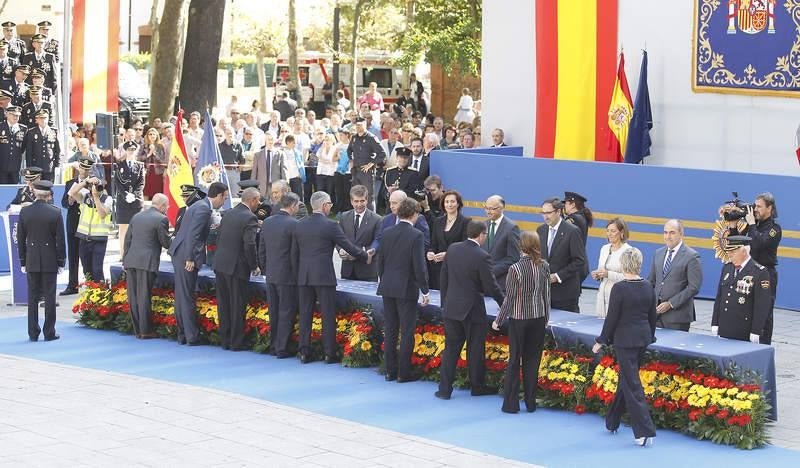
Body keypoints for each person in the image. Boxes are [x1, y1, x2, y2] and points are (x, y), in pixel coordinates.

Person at [294, 191, 373, 363]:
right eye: (329, 203)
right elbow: (347, 246)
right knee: (327, 314)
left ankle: (304, 352)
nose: (330, 206)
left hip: (304, 276)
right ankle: (329, 353)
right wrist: (364, 256)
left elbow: (295, 253)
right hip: (324, 276)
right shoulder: (330, 225)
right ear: (323, 206)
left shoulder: (299, 225)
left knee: (305, 314)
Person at [592, 247, 657, 445]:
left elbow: (611, 319)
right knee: (626, 380)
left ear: (622, 265)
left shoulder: (619, 288)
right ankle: (612, 421)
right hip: (642, 339)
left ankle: (643, 431)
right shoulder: (648, 286)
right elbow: (652, 316)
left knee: (631, 384)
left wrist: (601, 341)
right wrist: (650, 336)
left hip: (625, 342)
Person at [436, 220, 505, 400]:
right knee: (475, 349)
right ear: (482, 235)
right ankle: (477, 387)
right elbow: (491, 286)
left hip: (451, 307)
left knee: (451, 349)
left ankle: (444, 390)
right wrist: (504, 303)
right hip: (472, 310)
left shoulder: (452, 249)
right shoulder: (482, 256)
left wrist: (445, 302)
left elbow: (444, 277)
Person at [492, 231, 550, 414]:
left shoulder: (515, 269)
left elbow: (509, 299)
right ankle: (531, 403)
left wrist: (498, 320)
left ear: (521, 246)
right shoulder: (544, 266)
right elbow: (546, 295)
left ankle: (511, 404)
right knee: (533, 361)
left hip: (519, 319)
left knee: (515, 360)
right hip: (538, 318)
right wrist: (546, 318)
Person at [168, 182, 229, 346]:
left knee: (182, 295)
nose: (224, 201)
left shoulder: (199, 205)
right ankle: (191, 336)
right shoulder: (203, 208)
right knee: (186, 295)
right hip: (186, 255)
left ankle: (183, 334)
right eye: (225, 197)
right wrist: (190, 258)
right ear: (218, 195)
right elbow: (194, 234)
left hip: (180, 252)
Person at [378, 197, 430, 382]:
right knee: (407, 331)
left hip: (387, 286)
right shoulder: (416, 235)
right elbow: (419, 265)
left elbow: (380, 262)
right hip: (406, 288)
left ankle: (389, 371)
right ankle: (404, 373)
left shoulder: (387, 232)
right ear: (414, 213)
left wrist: (383, 280)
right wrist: (425, 290)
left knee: (390, 329)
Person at [17, 179, 65, 342]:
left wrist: (23, 261)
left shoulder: (25, 212)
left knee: (32, 297)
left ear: (35, 193)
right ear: (49, 195)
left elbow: (20, 239)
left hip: (31, 259)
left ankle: (33, 332)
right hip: (50, 259)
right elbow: (60, 240)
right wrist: (61, 261)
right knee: (50, 297)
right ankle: (49, 332)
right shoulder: (55, 212)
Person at [214, 187, 260, 351]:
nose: (259, 203)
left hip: (220, 264)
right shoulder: (250, 218)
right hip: (236, 267)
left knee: (224, 303)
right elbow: (249, 244)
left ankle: (225, 339)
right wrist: (254, 265)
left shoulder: (229, 213)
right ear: (252, 200)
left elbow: (219, 238)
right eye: (258, 200)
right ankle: (237, 341)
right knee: (237, 304)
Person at [122, 193, 171, 339]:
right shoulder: (162, 219)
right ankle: (146, 331)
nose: (167, 209)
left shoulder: (136, 216)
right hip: (147, 263)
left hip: (131, 261)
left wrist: (125, 260)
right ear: (162, 206)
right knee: (143, 297)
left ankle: (138, 330)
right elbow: (166, 243)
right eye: (167, 206)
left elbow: (127, 240)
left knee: (134, 297)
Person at [259, 192, 301, 357]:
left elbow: (261, 248)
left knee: (274, 310)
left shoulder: (267, 222)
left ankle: (274, 344)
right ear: (292, 206)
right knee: (286, 311)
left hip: (271, 273)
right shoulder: (294, 224)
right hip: (287, 275)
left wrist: (265, 268)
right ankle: (282, 347)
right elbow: (295, 253)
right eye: (298, 205)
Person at [711, 235, 771, 343]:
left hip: (743, 331)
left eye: (733, 251)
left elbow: (761, 306)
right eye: (729, 251)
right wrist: (715, 322)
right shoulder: (727, 268)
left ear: (744, 251)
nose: (729, 254)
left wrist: (756, 331)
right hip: (724, 328)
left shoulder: (759, 272)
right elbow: (719, 297)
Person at [646, 219, 703, 331]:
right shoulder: (658, 253)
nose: (668, 236)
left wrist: (670, 304)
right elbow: (651, 281)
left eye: (672, 232)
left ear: (681, 234)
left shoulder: (692, 256)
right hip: (656, 315)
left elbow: (694, 287)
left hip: (677, 317)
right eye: (665, 232)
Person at [537, 197, 587, 312]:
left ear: (558, 212)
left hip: (565, 293)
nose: (545, 216)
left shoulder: (572, 231)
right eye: (543, 213)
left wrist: (558, 276)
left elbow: (579, 261)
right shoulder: (541, 230)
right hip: (544, 292)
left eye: (548, 213)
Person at [744, 193, 781, 345]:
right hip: (749, 273)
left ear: (769, 208)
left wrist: (752, 224)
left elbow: (760, 244)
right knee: (745, 308)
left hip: (766, 274)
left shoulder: (775, 229)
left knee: (764, 312)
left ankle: (764, 345)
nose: (755, 209)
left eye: (759, 206)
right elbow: (738, 241)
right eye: (755, 206)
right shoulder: (753, 225)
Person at [59, 157, 95, 295]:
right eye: (82, 168)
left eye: (87, 169)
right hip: (73, 222)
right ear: (78, 168)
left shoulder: (94, 182)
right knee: (73, 255)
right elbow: (64, 203)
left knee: (87, 256)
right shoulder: (70, 183)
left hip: (88, 223)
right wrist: (70, 200)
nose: (84, 171)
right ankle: (72, 284)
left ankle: (90, 284)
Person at [68, 175, 113, 282]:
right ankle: (90, 293)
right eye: (94, 186)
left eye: (99, 185)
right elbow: (72, 192)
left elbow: (102, 214)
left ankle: (101, 294)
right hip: (84, 238)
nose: (97, 188)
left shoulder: (108, 199)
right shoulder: (84, 196)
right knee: (86, 271)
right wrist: (86, 182)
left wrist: (96, 197)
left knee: (97, 270)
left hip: (99, 239)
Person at [427, 190, 470, 290]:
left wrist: (447, 255)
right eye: (447, 202)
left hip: (455, 268)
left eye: (452, 201)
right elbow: (433, 245)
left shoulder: (466, 222)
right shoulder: (438, 221)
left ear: (458, 204)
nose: (449, 204)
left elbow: (465, 247)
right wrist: (430, 253)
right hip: (438, 269)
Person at [338, 185, 382, 281]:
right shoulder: (344, 217)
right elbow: (339, 239)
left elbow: (378, 242)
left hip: (367, 272)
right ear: (351, 201)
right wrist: (340, 250)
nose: (359, 204)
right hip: (347, 270)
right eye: (356, 201)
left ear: (367, 200)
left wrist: (362, 253)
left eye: (362, 201)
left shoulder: (377, 219)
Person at [592, 218, 633, 318]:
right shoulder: (604, 248)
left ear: (622, 232)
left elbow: (629, 278)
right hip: (602, 298)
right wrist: (598, 275)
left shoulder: (628, 251)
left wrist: (608, 274)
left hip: (618, 298)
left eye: (613, 231)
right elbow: (601, 270)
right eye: (608, 231)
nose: (609, 234)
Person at [481, 195, 521, 293]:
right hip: (482, 283)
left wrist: (491, 272)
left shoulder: (511, 228)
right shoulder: (483, 225)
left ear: (502, 208)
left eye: (492, 209)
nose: (488, 211)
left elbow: (513, 258)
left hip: (501, 284)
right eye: (486, 208)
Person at [113, 140, 145, 257]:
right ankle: (123, 254)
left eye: (133, 150)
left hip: (136, 201)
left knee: (137, 228)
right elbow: (117, 182)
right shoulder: (119, 165)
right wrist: (125, 195)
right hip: (123, 200)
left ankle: (136, 254)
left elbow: (141, 182)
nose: (131, 152)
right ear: (125, 151)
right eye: (129, 150)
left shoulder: (140, 165)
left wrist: (134, 195)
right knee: (123, 229)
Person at [347, 117, 386, 209]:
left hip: (366, 171)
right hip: (356, 170)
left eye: (359, 125)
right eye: (356, 125)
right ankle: (358, 215)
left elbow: (382, 154)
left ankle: (371, 218)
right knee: (356, 195)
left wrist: (371, 164)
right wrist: (351, 160)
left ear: (364, 125)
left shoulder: (371, 138)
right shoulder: (354, 137)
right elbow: (349, 150)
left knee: (368, 197)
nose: (357, 127)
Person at [23, 109, 59, 181]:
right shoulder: (31, 132)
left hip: (49, 167)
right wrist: (29, 167)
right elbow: (29, 152)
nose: (43, 120)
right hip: (35, 167)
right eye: (40, 118)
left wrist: (57, 165)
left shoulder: (54, 131)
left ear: (48, 118)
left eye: (45, 118)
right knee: (35, 188)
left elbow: (58, 150)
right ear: (36, 119)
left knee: (48, 189)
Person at [251, 132, 284, 196]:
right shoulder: (258, 155)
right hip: (261, 187)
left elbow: (283, 171)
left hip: (276, 187)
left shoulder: (280, 154)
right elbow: (254, 173)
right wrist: (253, 187)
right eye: (268, 139)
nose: (270, 141)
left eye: (272, 139)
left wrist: (285, 186)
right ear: (265, 140)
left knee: (275, 205)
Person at [0, 105, 25, 183]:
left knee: (14, 189)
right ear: (7, 114)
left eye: (17, 115)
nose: (16, 117)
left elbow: (23, 147)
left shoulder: (23, 129)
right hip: (1, 165)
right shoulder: (1, 127)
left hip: (15, 166)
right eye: (13, 115)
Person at [140, 127, 167, 199]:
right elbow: (139, 158)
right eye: (150, 134)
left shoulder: (161, 146)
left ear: (156, 136)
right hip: (146, 172)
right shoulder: (143, 146)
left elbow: (163, 160)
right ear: (147, 136)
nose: (152, 136)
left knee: (157, 194)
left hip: (158, 173)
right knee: (146, 192)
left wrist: (154, 153)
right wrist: (148, 154)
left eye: (154, 134)